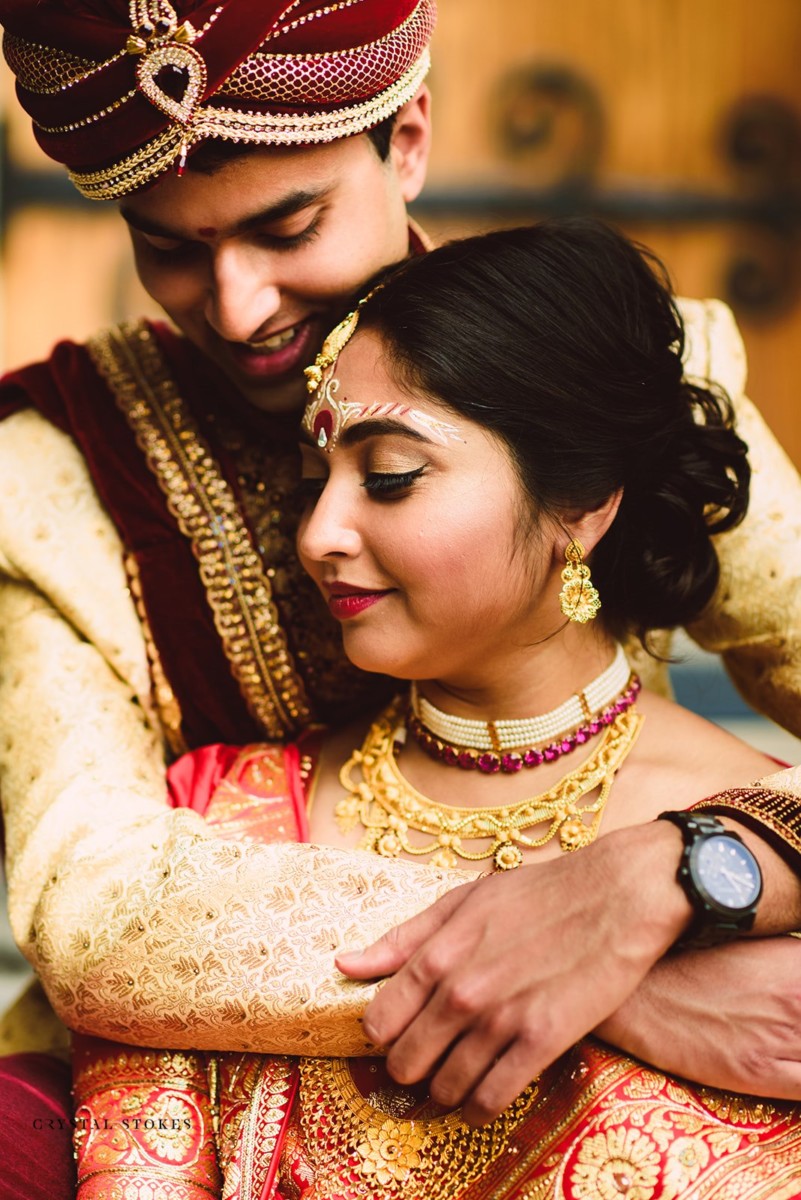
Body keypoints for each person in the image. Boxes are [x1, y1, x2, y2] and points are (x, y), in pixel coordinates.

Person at [0, 0, 800, 1191]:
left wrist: (683, 868)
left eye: (290, 223)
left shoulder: (621, 383)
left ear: (409, 138)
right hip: (188, 1064)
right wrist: (589, 953)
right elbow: (100, 914)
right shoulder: (50, 473)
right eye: (169, 245)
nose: (239, 304)